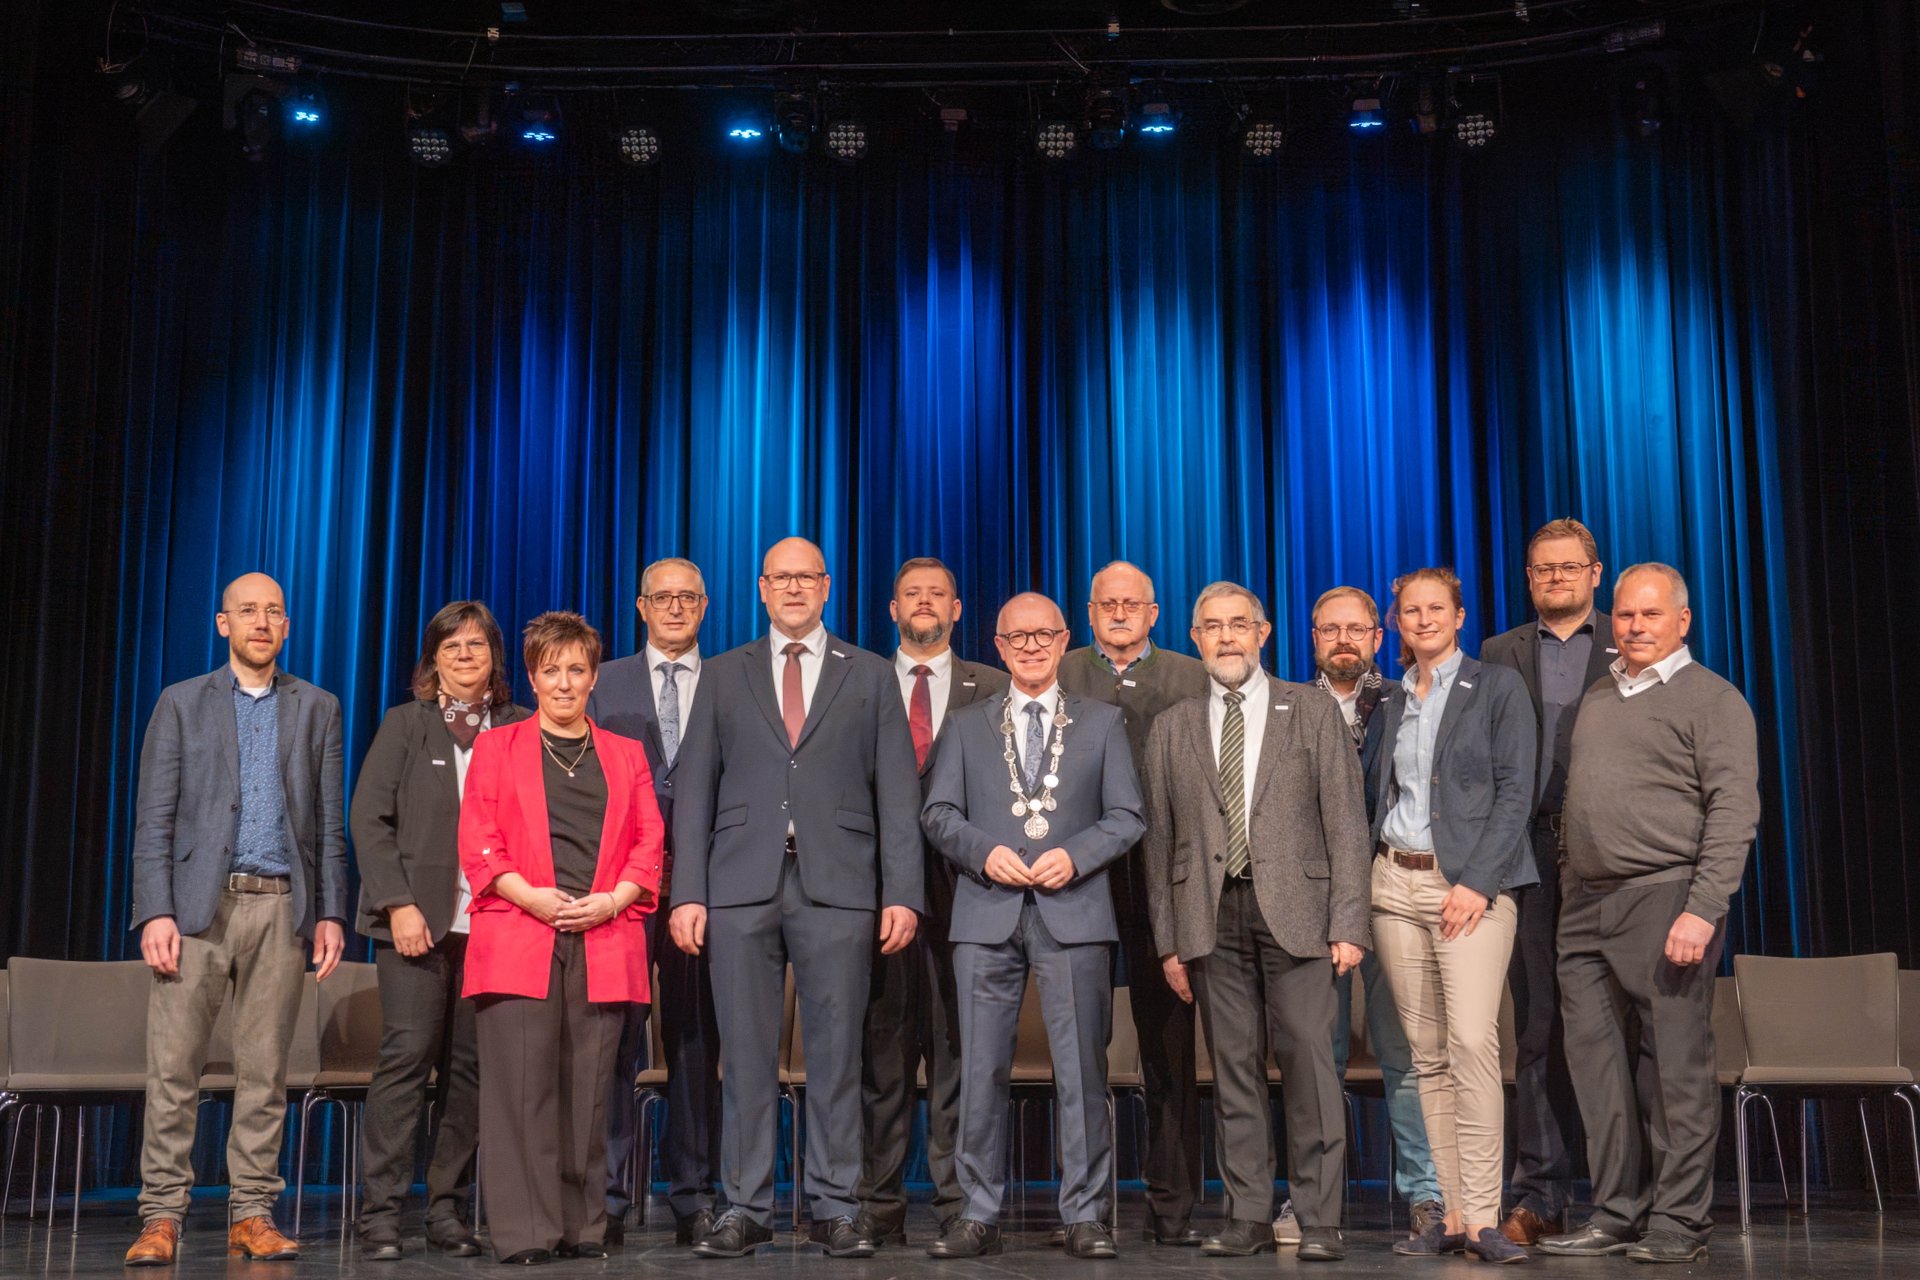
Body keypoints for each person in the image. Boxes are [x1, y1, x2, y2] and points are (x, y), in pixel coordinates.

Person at [670, 537, 923, 1259]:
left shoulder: (870, 675)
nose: (792, 589)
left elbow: (897, 794)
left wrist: (901, 892)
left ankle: (837, 1207)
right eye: (779, 578)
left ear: (827, 586)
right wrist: (688, 891)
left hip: (840, 886)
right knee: (744, 1056)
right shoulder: (723, 674)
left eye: (804, 578)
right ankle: (745, 1207)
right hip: (739, 886)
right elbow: (694, 794)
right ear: (760, 588)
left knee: (838, 1055)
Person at [125, 572, 348, 1267]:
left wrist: (332, 912)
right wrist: (154, 910)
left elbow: (329, 828)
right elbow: (154, 818)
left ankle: (252, 1212)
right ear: (223, 624)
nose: (261, 621)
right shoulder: (181, 704)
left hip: (282, 905)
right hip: (197, 909)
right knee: (173, 1070)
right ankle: (161, 1215)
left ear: (288, 627)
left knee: (264, 1072)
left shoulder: (318, 707)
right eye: (247, 611)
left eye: (273, 612)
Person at [1142, 583, 1371, 1262]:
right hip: (1210, 917)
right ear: (1195, 639)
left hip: (1299, 913)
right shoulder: (1172, 725)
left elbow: (1347, 825)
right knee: (1234, 1068)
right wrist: (1169, 943)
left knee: (1309, 1063)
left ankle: (1321, 1216)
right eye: (1212, 627)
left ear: (1263, 633)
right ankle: (1246, 1213)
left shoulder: (1310, 710)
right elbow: (1160, 845)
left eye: (1238, 625)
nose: (1227, 637)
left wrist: (1349, 920)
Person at [1539, 564, 1759, 1266]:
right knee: (1597, 1073)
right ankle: (1616, 1213)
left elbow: (1734, 811)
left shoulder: (1713, 699)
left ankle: (1680, 1220)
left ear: (1682, 621)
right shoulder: (1601, 696)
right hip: (1584, 905)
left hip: (1666, 898)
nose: (1634, 627)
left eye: (1650, 615)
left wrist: (1702, 909)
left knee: (1674, 1072)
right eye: (1626, 615)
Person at [922, 592, 1144, 1260]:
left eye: (1043, 635)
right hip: (986, 913)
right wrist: (980, 852)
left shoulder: (1103, 722)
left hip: (1072, 913)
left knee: (1080, 1072)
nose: (1030, 647)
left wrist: (1074, 856)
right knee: (979, 1071)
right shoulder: (964, 725)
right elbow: (937, 814)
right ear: (997, 644)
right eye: (1017, 638)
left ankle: (1084, 1215)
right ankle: (977, 1213)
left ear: (1063, 638)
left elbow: (1128, 815)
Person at [459, 611, 663, 1265]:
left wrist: (610, 901)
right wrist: (533, 897)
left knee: (589, 1091)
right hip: (521, 934)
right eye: (552, 670)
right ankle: (524, 1231)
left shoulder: (625, 755)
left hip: (604, 938)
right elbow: (478, 843)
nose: (565, 681)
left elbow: (648, 844)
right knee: (523, 1091)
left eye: (577, 669)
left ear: (594, 676)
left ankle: (583, 1226)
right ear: (533, 676)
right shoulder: (498, 748)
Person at [1362, 567, 1537, 1265]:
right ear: (1398, 623)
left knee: (1471, 1044)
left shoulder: (1496, 686)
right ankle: (1454, 1217)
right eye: (1411, 610)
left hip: (1469, 889)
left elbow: (1514, 791)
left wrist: (1477, 881)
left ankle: (1488, 1215)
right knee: (1426, 1058)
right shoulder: (1389, 701)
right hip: (1393, 889)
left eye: (1436, 608)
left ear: (1459, 616)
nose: (1424, 619)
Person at [352, 601, 528, 1260]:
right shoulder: (407, 726)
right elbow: (369, 820)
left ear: (493, 658)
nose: (463, 655)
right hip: (416, 927)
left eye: (475, 645)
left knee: (472, 1072)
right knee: (407, 1060)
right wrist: (396, 903)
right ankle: (381, 1213)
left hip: (492, 927)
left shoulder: (518, 727)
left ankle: (446, 1208)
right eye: (450, 646)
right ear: (432, 660)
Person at [1056, 559, 1210, 1247]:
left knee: (1168, 1049)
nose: (1119, 614)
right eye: (1106, 604)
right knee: (1077, 1043)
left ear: (1153, 614)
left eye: (1132, 604)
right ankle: (1080, 1208)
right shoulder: (1060, 674)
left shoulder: (1190, 676)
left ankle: (1172, 1207)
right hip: (1079, 878)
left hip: (1163, 880)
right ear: (1089, 615)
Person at [855, 558, 1010, 1246]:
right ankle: (879, 1208)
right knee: (880, 1059)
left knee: (959, 1057)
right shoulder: (856, 681)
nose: (924, 603)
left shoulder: (997, 687)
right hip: (875, 896)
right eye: (912, 594)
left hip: (968, 898)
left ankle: (958, 1207)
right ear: (894, 610)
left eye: (937, 594)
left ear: (955, 607)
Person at [1480, 519, 1618, 1244]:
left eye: (1569, 568)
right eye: (1542, 570)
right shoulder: (1500, 653)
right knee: (1536, 1031)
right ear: (1529, 577)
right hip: (1528, 852)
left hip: (1611, 856)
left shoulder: (1629, 646)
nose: (1555, 579)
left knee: (1614, 1031)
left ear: (1596, 573)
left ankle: (1628, 1195)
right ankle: (1538, 1192)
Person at [588, 558, 724, 1246]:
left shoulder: (736, 679)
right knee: (613, 1044)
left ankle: (694, 1194)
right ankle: (607, 1193)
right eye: (662, 598)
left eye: (687, 598)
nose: (675, 608)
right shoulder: (601, 681)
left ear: (705, 605)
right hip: (619, 896)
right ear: (641, 607)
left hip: (705, 893)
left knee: (697, 1046)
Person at [1309, 587, 1445, 1241]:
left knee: (1405, 1053)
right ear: (1312, 637)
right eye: (1330, 628)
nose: (1344, 639)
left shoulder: (1405, 702)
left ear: (1377, 638)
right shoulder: (1288, 708)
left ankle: (1427, 1195)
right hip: (1307, 910)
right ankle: (1316, 1199)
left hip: (1394, 898)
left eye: (1356, 629)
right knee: (1317, 1058)